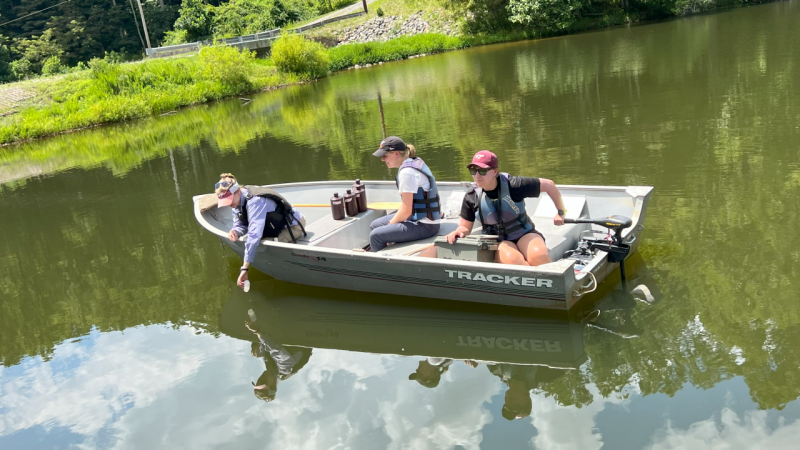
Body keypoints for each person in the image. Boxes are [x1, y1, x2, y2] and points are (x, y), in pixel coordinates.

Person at [437, 150, 567, 266]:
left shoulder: (514, 185)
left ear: (494, 172)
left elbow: (549, 185)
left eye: (482, 171)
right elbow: (465, 227)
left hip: (524, 233)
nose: (477, 175)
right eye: (473, 171)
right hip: (496, 240)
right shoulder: (471, 196)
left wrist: (561, 212)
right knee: (514, 260)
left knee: (540, 256)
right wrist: (458, 232)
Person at [214, 173, 306, 288]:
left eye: (229, 200)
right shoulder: (235, 202)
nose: (229, 205)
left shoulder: (255, 201)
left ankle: (291, 274)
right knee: (256, 244)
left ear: (237, 191)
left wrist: (245, 268)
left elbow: (254, 235)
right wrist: (235, 231)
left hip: (293, 226)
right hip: (273, 226)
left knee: (267, 245)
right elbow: (240, 225)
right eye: (226, 202)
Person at [368, 136, 441, 252]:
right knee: (375, 225)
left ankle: (382, 265)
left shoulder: (407, 173)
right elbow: (407, 207)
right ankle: (390, 248)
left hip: (426, 226)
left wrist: (389, 226)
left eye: (385, 155)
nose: (382, 159)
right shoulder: (413, 162)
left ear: (396, 154)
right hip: (418, 218)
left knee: (375, 236)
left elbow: (406, 210)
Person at [246, 319, 312, 402]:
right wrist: (257, 332)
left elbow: (265, 346)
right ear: (273, 386)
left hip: (288, 333)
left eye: (258, 381)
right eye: (263, 381)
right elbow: (276, 350)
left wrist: (256, 346)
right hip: (302, 335)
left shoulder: (270, 367)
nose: (261, 378)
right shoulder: (285, 370)